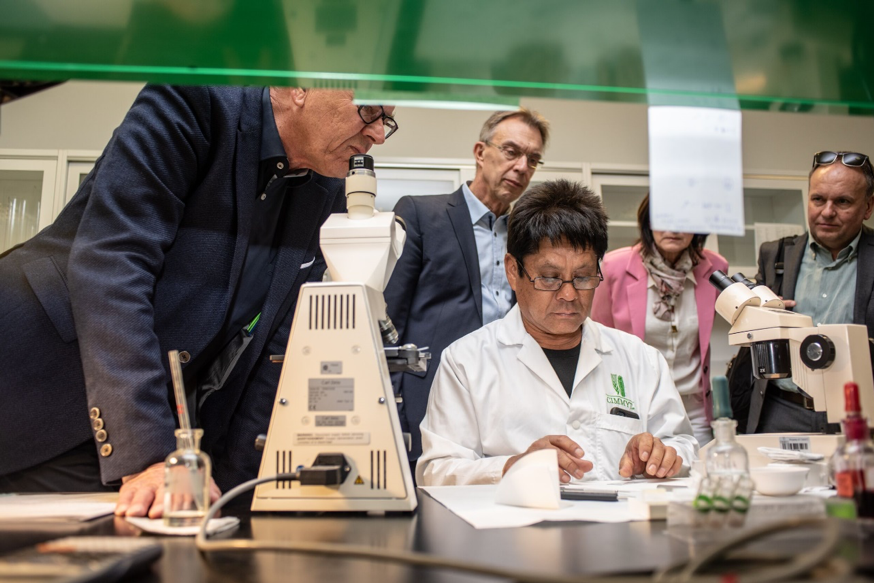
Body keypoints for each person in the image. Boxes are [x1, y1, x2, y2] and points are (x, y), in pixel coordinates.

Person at [0, 84, 397, 518]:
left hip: (131, 448)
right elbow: (112, 265)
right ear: (298, 88)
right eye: (370, 111)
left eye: (387, 120)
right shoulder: (190, 102)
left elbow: (274, 351)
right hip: (33, 382)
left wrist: (242, 496)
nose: (378, 134)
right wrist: (146, 453)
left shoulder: (326, 189)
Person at [416, 180, 697, 486]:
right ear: (513, 271)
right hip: (515, 531)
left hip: (618, 530)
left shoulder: (641, 359)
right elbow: (436, 471)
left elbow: (682, 446)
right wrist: (513, 466)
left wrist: (660, 457)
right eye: (549, 278)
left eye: (583, 277)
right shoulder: (466, 362)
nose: (568, 294)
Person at [383, 108, 550, 473]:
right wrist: (389, 406)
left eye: (533, 159)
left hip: (509, 402)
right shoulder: (422, 214)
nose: (522, 166)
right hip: (427, 400)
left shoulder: (528, 238)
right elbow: (388, 321)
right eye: (511, 151)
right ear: (480, 152)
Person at [732, 150, 874, 433]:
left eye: (843, 201)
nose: (827, 212)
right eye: (818, 199)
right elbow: (748, 330)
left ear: (868, 207)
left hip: (858, 415)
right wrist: (762, 315)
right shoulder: (776, 255)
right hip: (783, 410)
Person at [590, 194, 727, 446]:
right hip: (637, 402)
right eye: (664, 218)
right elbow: (598, 340)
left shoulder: (715, 268)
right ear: (647, 222)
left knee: (700, 476)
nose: (673, 228)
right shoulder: (613, 267)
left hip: (694, 406)